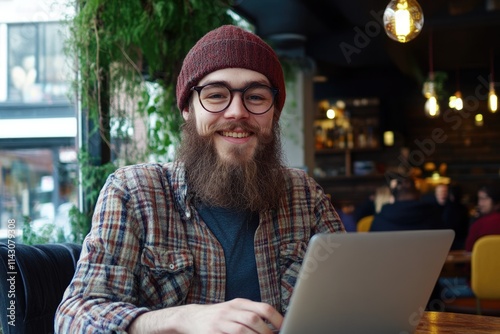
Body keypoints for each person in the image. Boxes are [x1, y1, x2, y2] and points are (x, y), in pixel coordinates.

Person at [54, 25, 345, 333]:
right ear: (187, 110)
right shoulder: (134, 193)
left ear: (273, 113)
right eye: (216, 95)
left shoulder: (304, 195)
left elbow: (354, 293)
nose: (237, 112)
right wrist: (181, 319)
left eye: (256, 97)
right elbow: (75, 317)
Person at [369, 175, 444, 231]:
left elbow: (372, 246)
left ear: (394, 197)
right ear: (419, 194)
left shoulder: (380, 218)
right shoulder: (434, 216)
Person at [465, 182, 500, 251]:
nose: (480, 203)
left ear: (496, 202)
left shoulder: (479, 225)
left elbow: (469, 250)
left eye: (484, 199)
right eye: (479, 199)